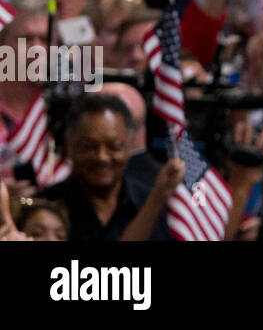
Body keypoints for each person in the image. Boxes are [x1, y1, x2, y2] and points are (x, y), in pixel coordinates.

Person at [38, 95, 180, 242]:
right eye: (89, 147)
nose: (102, 157)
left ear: (129, 145)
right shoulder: (44, 208)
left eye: (114, 147)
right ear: (69, 144)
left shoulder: (158, 208)